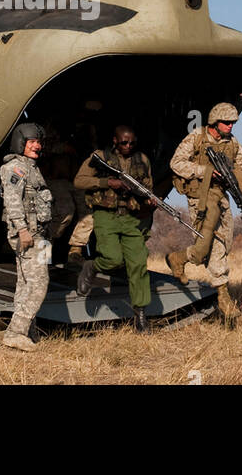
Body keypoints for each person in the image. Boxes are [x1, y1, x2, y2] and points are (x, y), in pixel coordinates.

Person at [163, 102, 242, 326]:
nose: (230, 125)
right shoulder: (197, 137)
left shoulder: (233, 144)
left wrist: (231, 178)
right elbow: (176, 164)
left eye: (233, 122)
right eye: (226, 122)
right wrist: (205, 171)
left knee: (224, 242)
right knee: (210, 245)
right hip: (200, 198)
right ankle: (223, 296)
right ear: (215, 122)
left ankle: (178, 258)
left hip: (222, 197)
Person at [73, 125, 154, 332]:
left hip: (131, 218)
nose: (128, 146)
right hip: (106, 215)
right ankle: (91, 266)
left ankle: (141, 317)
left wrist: (150, 202)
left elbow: (148, 189)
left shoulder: (142, 160)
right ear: (115, 140)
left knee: (138, 264)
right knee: (112, 259)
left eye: (132, 142)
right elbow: (79, 181)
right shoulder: (99, 156)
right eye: (124, 142)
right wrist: (107, 182)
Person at [0, 121, 54, 352]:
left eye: (38, 142)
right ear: (21, 142)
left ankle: (27, 331)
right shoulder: (15, 168)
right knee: (39, 283)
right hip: (29, 234)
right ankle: (16, 331)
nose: (36, 146)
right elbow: (12, 200)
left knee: (25, 283)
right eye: (31, 142)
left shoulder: (31, 166)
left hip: (39, 234)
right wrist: (22, 230)